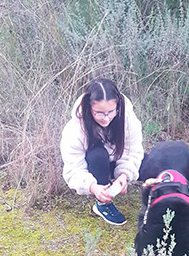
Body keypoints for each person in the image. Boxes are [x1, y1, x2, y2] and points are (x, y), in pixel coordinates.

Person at [60, 78, 144, 225]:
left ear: (118, 105)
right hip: (95, 166)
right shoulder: (74, 129)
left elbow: (133, 151)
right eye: (99, 113)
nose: (106, 119)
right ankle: (102, 203)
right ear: (88, 108)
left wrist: (124, 175)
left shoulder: (128, 119)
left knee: (155, 165)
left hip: (117, 161)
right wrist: (92, 187)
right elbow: (73, 168)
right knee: (97, 155)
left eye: (111, 112)